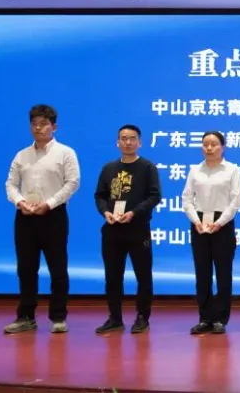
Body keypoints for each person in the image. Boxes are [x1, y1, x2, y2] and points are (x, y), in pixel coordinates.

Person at [3, 104, 80, 334]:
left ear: (54, 127)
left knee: (58, 269)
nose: (38, 128)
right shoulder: (22, 155)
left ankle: (58, 317)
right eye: (34, 124)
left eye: (44, 124)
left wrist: (49, 203)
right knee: (26, 268)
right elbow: (11, 184)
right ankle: (26, 316)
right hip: (25, 216)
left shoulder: (65, 153)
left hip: (53, 216)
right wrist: (20, 202)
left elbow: (72, 183)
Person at [93, 124, 162, 334]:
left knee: (143, 275)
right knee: (112, 276)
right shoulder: (108, 168)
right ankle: (115, 317)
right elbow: (100, 196)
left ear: (139, 142)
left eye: (132, 138)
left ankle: (142, 317)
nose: (128, 142)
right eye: (123, 138)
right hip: (112, 229)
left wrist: (134, 212)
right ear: (118, 142)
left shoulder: (147, 167)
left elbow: (154, 196)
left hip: (138, 229)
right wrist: (106, 212)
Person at [182, 131, 240, 335]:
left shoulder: (232, 170)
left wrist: (219, 222)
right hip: (199, 223)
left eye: (214, 144)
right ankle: (205, 318)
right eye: (205, 144)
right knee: (202, 273)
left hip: (222, 224)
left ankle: (220, 319)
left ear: (222, 147)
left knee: (223, 273)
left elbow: (236, 201)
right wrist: (196, 221)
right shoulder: (195, 170)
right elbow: (187, 199)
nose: (209, 148)